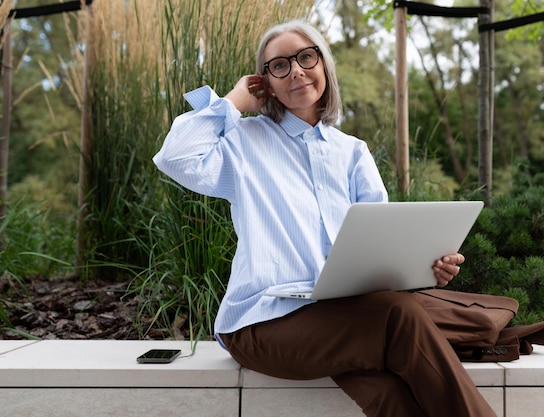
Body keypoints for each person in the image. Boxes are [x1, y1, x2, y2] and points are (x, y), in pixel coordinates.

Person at [153, 20, 497, 417]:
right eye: (279, 66)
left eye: (305, 57)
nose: (296, 70)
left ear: (323, 65)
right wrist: (233, 101)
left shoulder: (352, 152)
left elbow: (381, 251)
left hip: (340, 316)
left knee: (388, 392)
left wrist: (423, 269)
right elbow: (176, 157)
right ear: (266, 82)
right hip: (261, 323)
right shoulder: (244, 143)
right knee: (400, 315)